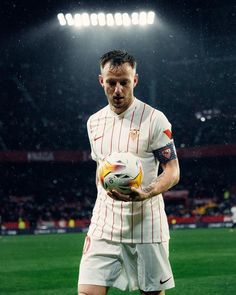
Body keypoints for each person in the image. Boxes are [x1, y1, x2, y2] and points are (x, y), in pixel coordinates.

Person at [78, 50, 180, 295]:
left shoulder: (155, 119)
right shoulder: (94, 122)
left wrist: (146, 192)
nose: (118, 90)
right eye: (111, 83)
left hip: (146, 225)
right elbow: (100, 168)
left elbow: (172, 171)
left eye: (124, 82)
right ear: (101, 81)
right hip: (104, 225)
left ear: (135, 80)